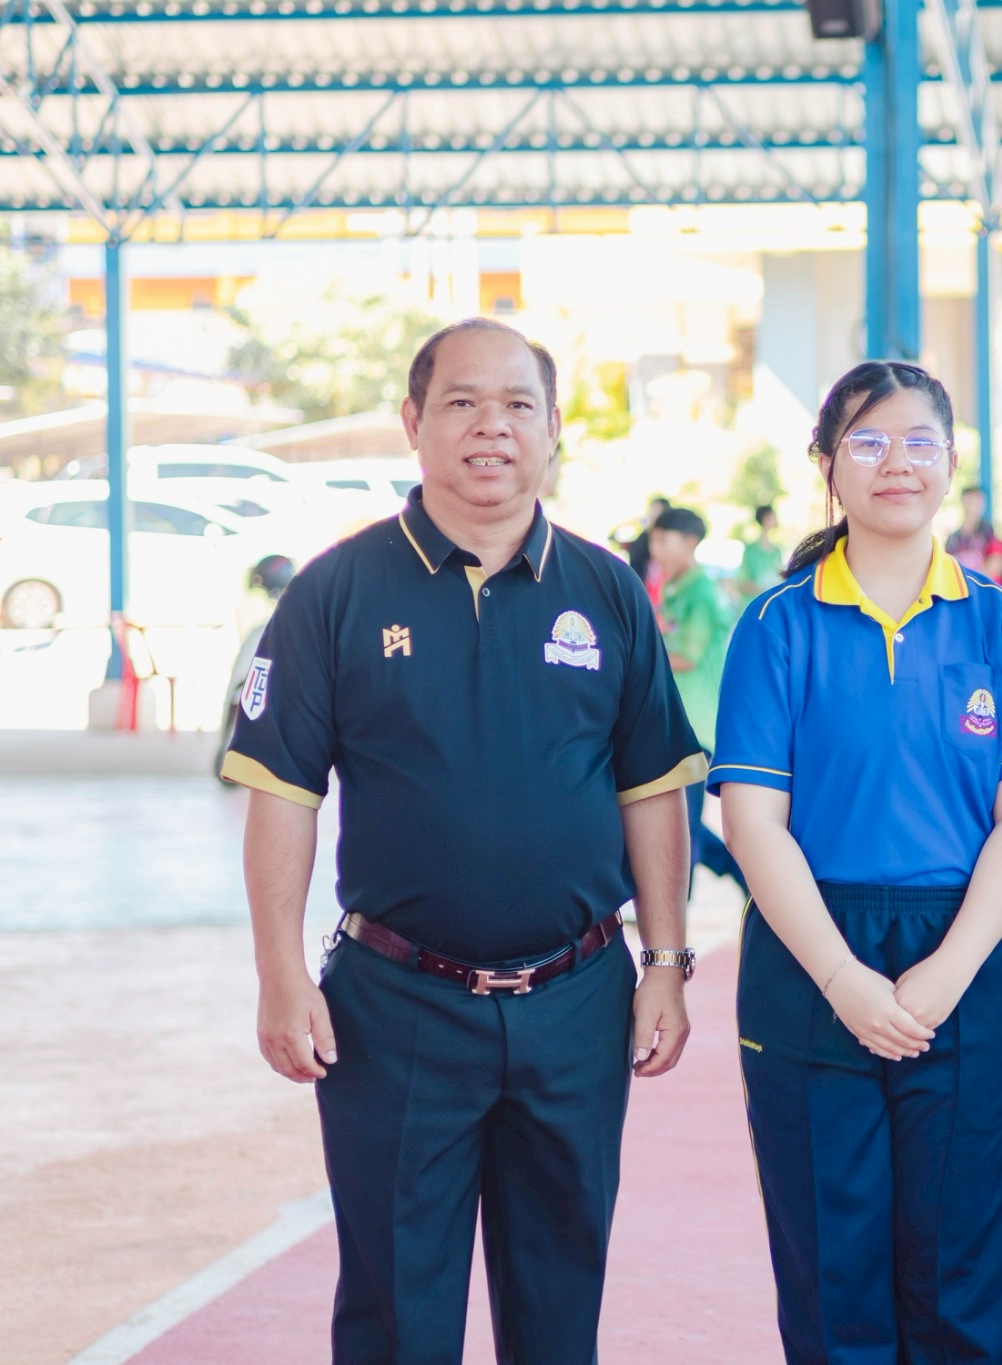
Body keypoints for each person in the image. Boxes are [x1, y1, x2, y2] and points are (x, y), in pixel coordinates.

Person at [226, 317, 704, 1361]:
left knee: (559, 1311)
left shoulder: (607, 593)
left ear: (553, 428)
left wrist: (665, 962)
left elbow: (652, 788)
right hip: (396, 1009)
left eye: (518, 405)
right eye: (462, 403)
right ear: (413, 422)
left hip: (577, 1004)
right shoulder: (336, 592)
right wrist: (279, 972)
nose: (493, 427)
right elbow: (283, 794)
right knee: (397, 1313)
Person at [711, 361, 1002, 1363]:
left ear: (951, 462)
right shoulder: (776, 626)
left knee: (967, 1266)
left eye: (919, 442)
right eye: (867, 442)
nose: (895, 463)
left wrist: (947, 972)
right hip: (811, 955)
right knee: (835, 1270)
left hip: (969, 954)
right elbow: (754, 822)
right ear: (826, 465)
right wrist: (842, 978)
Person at [650, 505, 748, 895]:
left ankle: (679, 910)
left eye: (664, 540)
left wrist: (632, 656)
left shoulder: (701, 592)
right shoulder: (675, 587)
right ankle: (742, 874)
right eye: (654, 540)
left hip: (695, 724)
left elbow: (686, 657)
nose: (655, 549)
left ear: (690, 542)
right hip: (674, 718)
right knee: (673, 818)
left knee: (683, 823)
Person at [943, 483, 997, 572]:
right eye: (970, 501)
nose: (973, 506)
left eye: (978, 502)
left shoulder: (989, 533)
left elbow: (995, 564)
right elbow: (947, 567)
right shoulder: (953, 539)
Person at [738, 502, 784, 599]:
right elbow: (742, 582)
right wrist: (762, 590)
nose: (775, 519)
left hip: (769, 603)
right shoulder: (750, 550)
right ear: (766, 518)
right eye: (772, 516)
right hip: (754, 602)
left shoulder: (776, 551)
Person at [625, 494, 672, 583]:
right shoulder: (645, 534)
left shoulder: (665, 537)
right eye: (652, 509)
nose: (652, 514)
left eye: (656, 510)